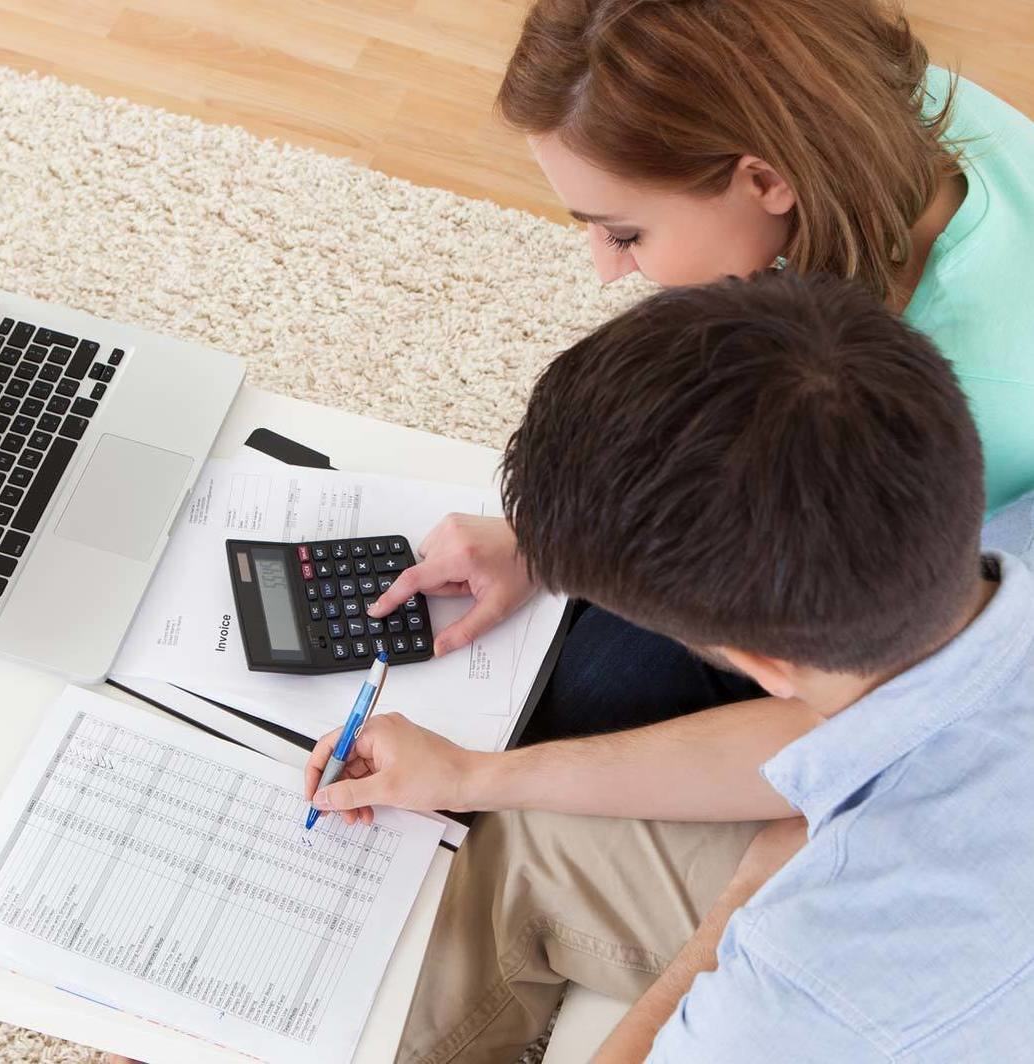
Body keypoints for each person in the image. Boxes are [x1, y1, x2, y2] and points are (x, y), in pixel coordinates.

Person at [305, 272, 1034, 1061]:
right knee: (528, 839)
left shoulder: (801, 982)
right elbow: (813, 729)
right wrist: (473, 776)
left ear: (758, 660)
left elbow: (769, 988)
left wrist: (739, 911)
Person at [368, 0, 1034, 742]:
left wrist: (567, 562)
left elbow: (896, 660)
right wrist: (544, 548)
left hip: (945, 601)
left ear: (765, 180)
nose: (602, 269)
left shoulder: (972, 390)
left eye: (624, 232)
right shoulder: (882, 105)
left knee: (585, 693)